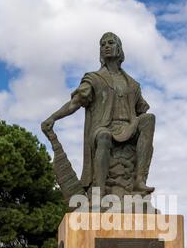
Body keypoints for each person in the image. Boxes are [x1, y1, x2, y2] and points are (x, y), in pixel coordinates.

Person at [42, 32, 155, 197]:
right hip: (103, 127)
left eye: (110, 43)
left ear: (119, 49)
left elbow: (141, 109)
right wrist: (53, 117)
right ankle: (99, 191)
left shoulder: (132, 84)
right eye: (103, 44)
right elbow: (75, 103)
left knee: (149, 119)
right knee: (103, 135)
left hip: (128, 127)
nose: (106, 46)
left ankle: (139, 180)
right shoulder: (94, 78)